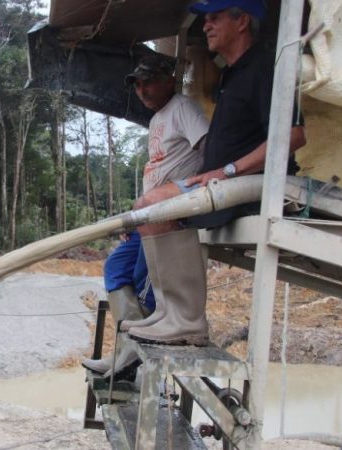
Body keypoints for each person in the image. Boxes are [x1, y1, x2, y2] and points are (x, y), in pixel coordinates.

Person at [122, 0, 307, 346]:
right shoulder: (232, 73)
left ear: (242, 22)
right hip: (227, 179)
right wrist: (207, 174)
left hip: (257, 183)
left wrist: (228, 169)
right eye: (205, 18)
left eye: (215, 17)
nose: (206, 25)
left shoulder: (267, 66)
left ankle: (187, 320)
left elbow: (293, 136)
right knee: (146, 207)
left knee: (155, 206)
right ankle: (168, 312)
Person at [81, 54, 209, 377]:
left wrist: (192, 194)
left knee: (143, 283)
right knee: (115, 268)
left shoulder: (183, 108)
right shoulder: (156, 120)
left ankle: (135, 357)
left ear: (170, 79)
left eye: (148, 81)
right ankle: (126, 351)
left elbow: (208, 147)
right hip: (147, 218)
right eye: (137, 84)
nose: (142, 90)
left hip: (168, 218)